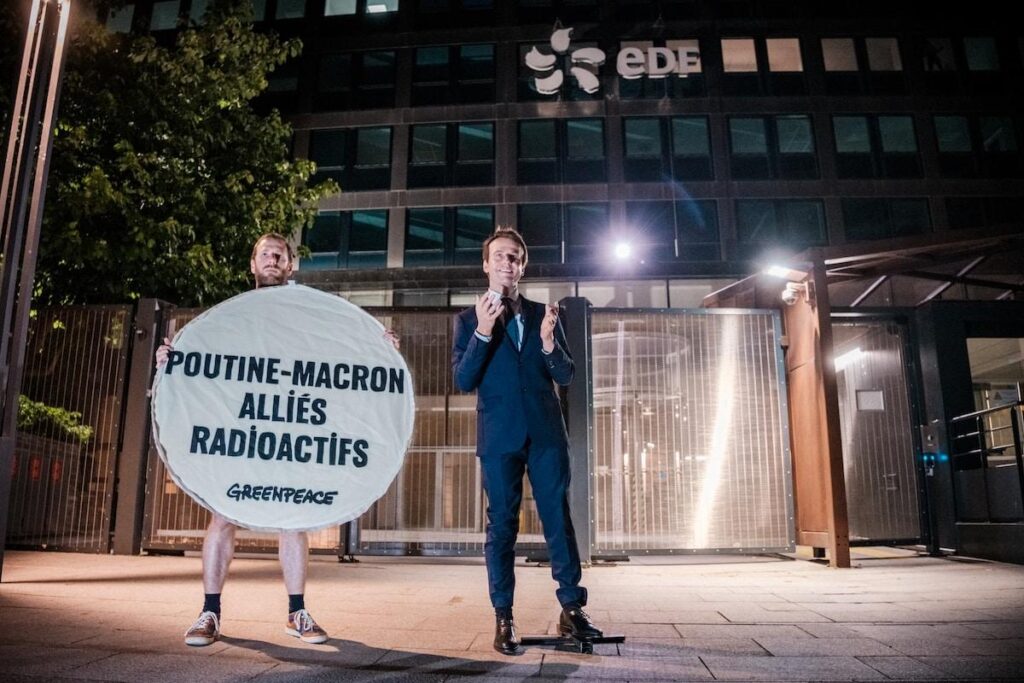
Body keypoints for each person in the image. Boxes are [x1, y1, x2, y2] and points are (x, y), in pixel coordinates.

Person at [155, 232, 398, 648]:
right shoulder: (230, 316)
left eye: (279, 255)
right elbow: (207, 363)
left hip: (289, 430)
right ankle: (209, 612)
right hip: (244, 430)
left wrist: (379, 350)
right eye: (265, 254)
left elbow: (339, 349)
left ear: (291, 265)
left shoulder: (306, 311)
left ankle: (296, 612)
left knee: (293, 516)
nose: (272, 259)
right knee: (223, 514)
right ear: (253, 265)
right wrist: (172, 360)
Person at [451, 227, 602, 655]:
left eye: (514, 256)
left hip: (546, 435)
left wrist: (550, 344)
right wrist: (483, 332)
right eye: (499, 255)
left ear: (522, 267)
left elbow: (566, 374)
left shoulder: (543, 315)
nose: (507, 262)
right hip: (500, 438)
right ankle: (504, 615)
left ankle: (572, 608)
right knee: (502, 526)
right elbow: (463, 379)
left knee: (558, 518)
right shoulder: (467, 320)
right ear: (486, 264)